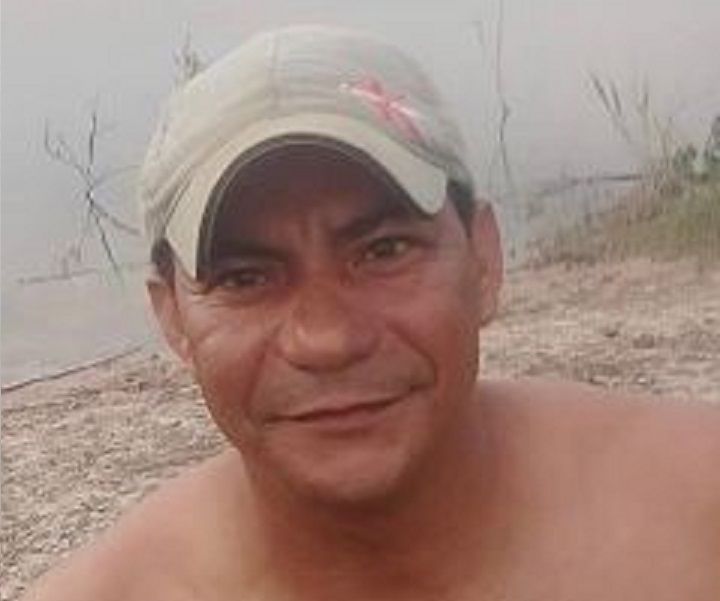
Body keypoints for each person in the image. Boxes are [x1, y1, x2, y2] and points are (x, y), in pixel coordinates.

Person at [25, 25, 719, 601]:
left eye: (383, 250)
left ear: (483, 259)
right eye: (245, 277)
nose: (326, 339)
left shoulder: (693, 511)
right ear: (173, 317)